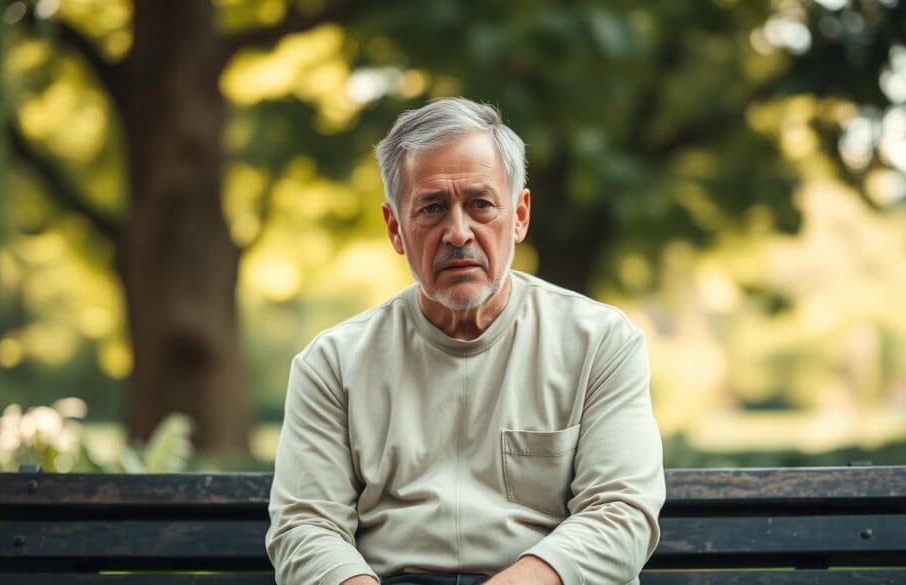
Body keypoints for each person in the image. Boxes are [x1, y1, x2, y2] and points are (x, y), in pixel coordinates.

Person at [266, 97, 665, 585]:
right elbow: (306, 528)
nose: (458, 233)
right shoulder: (332, 364)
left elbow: (620, 513)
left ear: (519, 215)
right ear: (395, 228)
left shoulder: (601, 343)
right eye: (432, 208)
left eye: (480, 204)